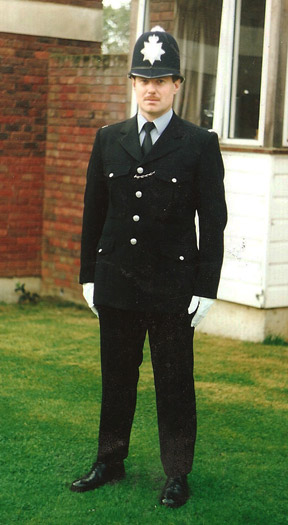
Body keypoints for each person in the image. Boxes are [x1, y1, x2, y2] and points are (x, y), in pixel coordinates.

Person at [70, 27, 227, 508]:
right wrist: (88, 276)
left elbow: (214, 221)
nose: (151, 88)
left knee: (175, 384)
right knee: (117, 379)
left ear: (178, 84)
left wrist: (207, 286)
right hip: (117, 281)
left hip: (171, 288)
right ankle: (109, 461)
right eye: (142, 78)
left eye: (161, 79)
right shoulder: (108, 139)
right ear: (132, 83)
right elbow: (93, 211)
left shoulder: (199, 143)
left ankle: (177, 473)